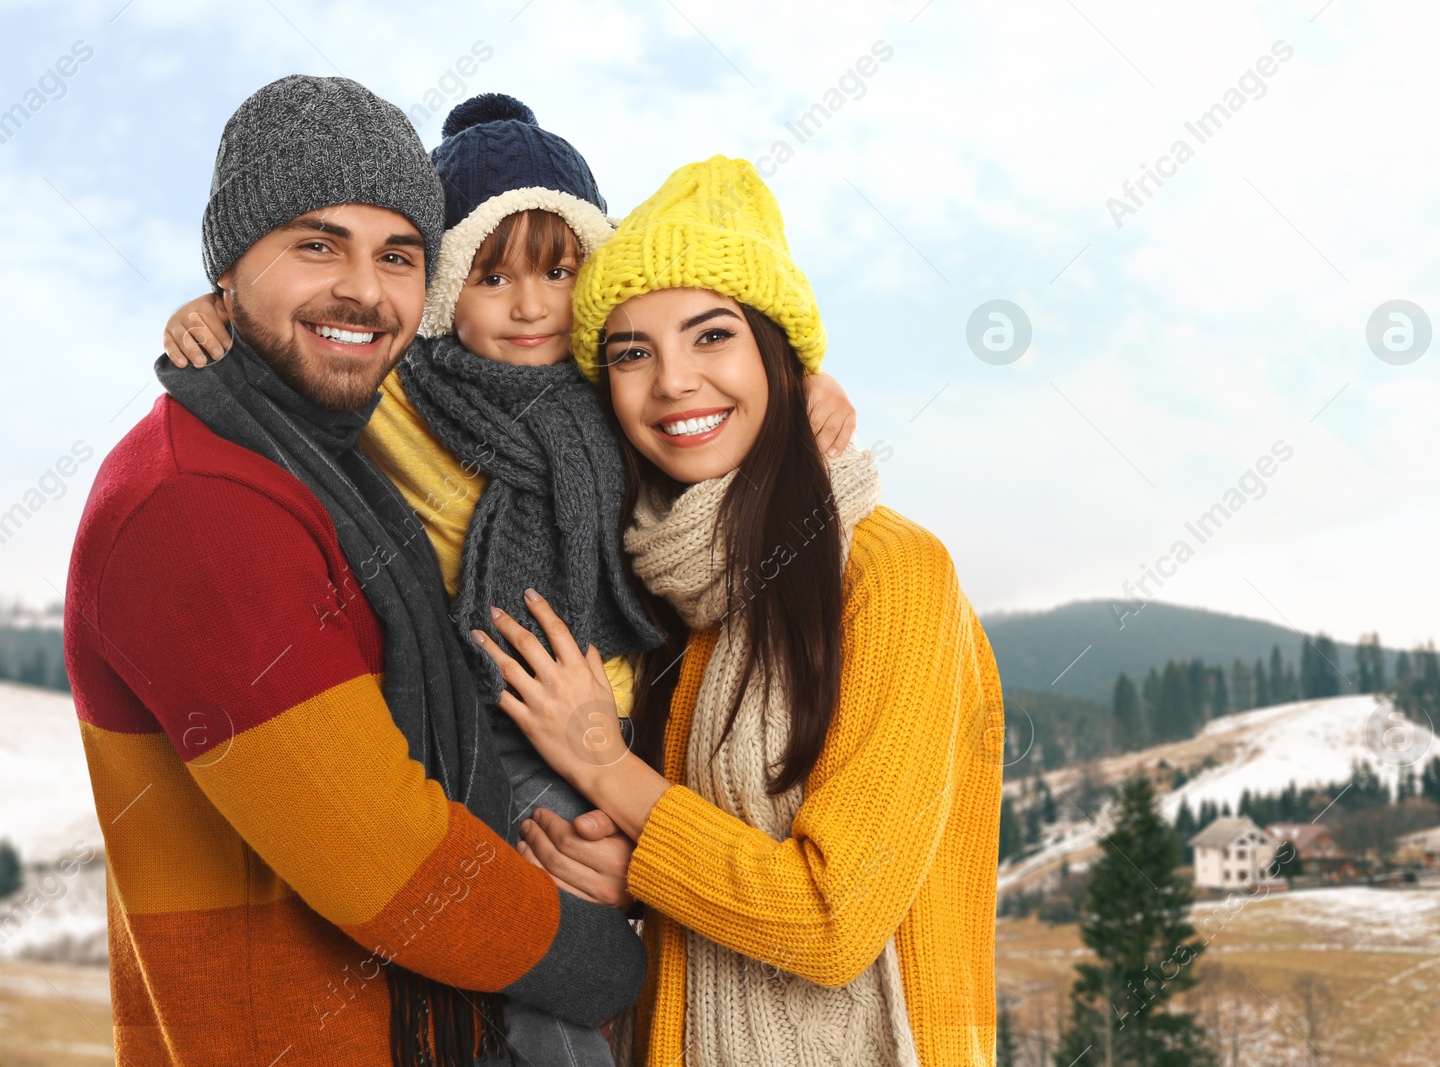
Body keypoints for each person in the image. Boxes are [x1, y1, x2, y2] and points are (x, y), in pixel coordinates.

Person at [158, 92, 858, 1066]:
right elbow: (311, 358)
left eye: (559, 271)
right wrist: (216, 314)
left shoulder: (612, 396)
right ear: (445, 290)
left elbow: (712, 405)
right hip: (491, 720)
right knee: (545, 975)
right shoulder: (406, 390)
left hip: (630, 722)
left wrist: (809, 377)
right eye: (490, 276)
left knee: (625, 952)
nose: (530, 306)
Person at [65, 75, 645, 1067]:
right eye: (316, 243)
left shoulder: (316, 450)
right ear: (226, 269)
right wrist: (627, 958)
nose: (364, 289)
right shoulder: (199, 503)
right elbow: (395, 864)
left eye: (398, 255)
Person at [474, 156, 1006, 1065]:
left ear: (781, 357)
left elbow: (834, 923)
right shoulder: (673, 586)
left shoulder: (892, 572)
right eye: (631, 352)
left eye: (711, 335)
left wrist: (605, 766)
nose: (673, 381)